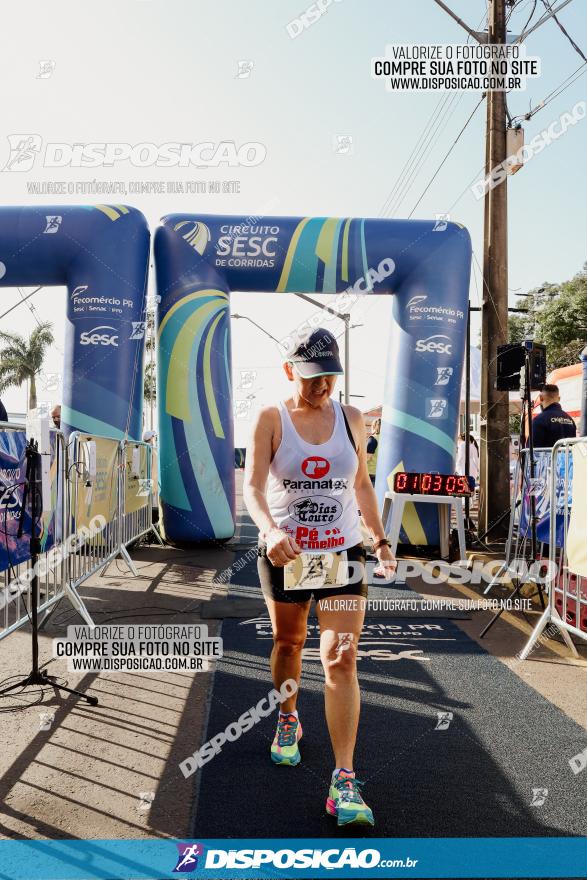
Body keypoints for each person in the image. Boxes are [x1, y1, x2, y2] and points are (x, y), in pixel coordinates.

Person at [243, 327, 396, 828]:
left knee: (340, 658)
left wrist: (379, 540)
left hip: (341, 552)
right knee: (290, 643)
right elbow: (252, 488)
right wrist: (268, 533)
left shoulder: (352, 419)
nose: (322, 386)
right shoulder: (270, 418)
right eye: (312, 378)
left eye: (329, 376)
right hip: (287, 553)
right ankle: (288, 717)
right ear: (290, 370)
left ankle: (344, 778)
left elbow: (361, 485)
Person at [366, 417, 381, 486]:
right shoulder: (387, 440)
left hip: (370, 475)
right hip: (381, 474)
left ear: (374, 426)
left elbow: (366, 458)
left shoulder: (373, 439)